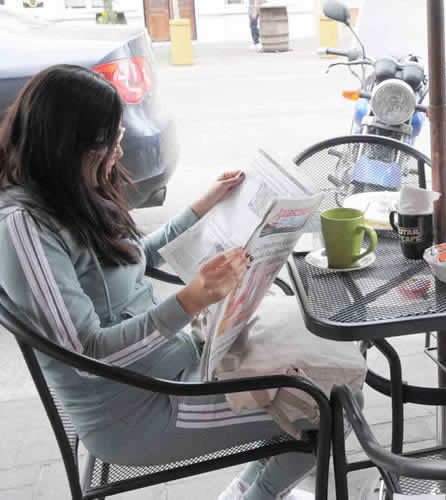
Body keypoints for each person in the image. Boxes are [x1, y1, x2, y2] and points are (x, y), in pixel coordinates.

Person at [0, 65, 323, 500]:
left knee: (308, 366)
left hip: (171, 368)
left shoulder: (68, 190)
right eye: (108, 142)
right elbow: (84, 355)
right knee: (325, 408)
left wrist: (201, 208)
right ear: (66, 144)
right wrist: (189, 301)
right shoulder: (25, 227)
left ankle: (250, 491)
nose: (118, 151)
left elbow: (131, 259)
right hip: (140, 409)